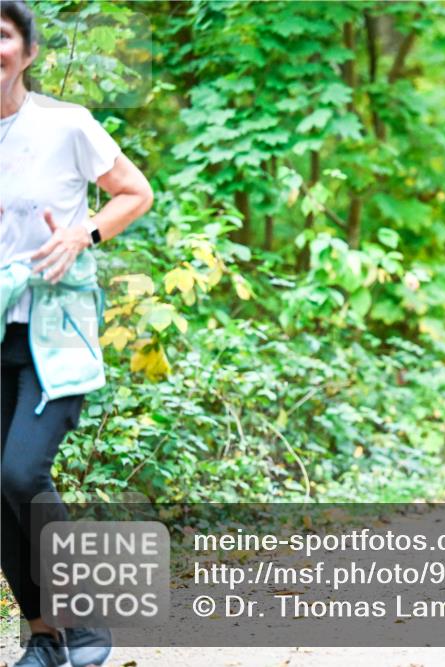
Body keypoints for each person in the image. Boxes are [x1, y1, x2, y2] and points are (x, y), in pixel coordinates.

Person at [1, 2, 154, 665]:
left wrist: (80, 232)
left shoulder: (66, 125)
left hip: (55, 333)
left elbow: (134, 191)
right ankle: (45, 635)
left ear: (27, 52)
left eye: (0, 36)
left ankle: (86, 620)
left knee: (19, 471)